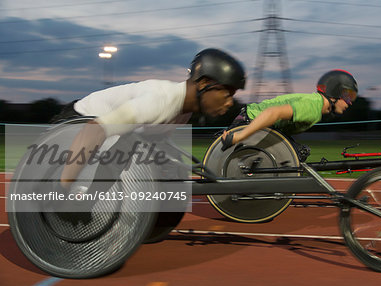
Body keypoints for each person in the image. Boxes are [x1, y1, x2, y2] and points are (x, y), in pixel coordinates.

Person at [49, 48, 246, 192]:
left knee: (132, 152)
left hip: (102, 130)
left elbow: (155, 145)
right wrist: (63, 188)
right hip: (78, 120)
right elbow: (93, 130)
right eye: (227, 93)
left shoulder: (184, 111)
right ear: (204, 83)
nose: (230, 103)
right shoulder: (159, 101)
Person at [221, 69, 358, 150]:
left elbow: (281, 129)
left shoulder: (316, 106)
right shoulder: (313, 106)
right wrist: (238, 137)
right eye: (348, 96)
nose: (350, 102)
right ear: (336, 92)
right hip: (248, 121)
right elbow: (272, 113)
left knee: (297, 153)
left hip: (257, 124)